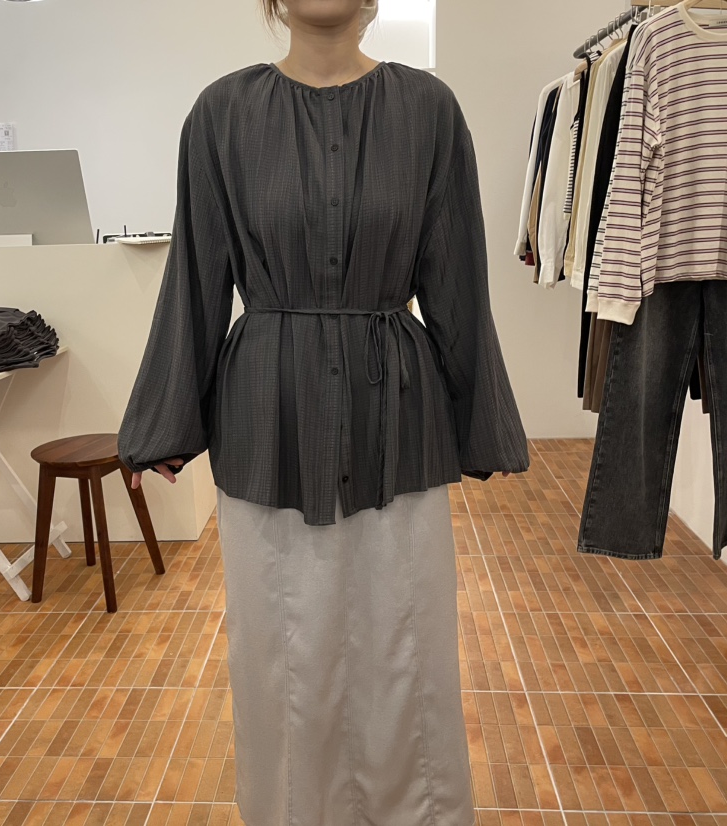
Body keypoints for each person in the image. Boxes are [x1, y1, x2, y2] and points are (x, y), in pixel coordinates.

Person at [117, 1, 530, 823]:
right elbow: (196, 276)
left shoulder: (428, 111)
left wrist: (477, 418)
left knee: (402, 643)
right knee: (283, 651)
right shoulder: (222, 115)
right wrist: (166, 420)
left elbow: (457, 278)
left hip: (397, 416)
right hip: (268, 413)